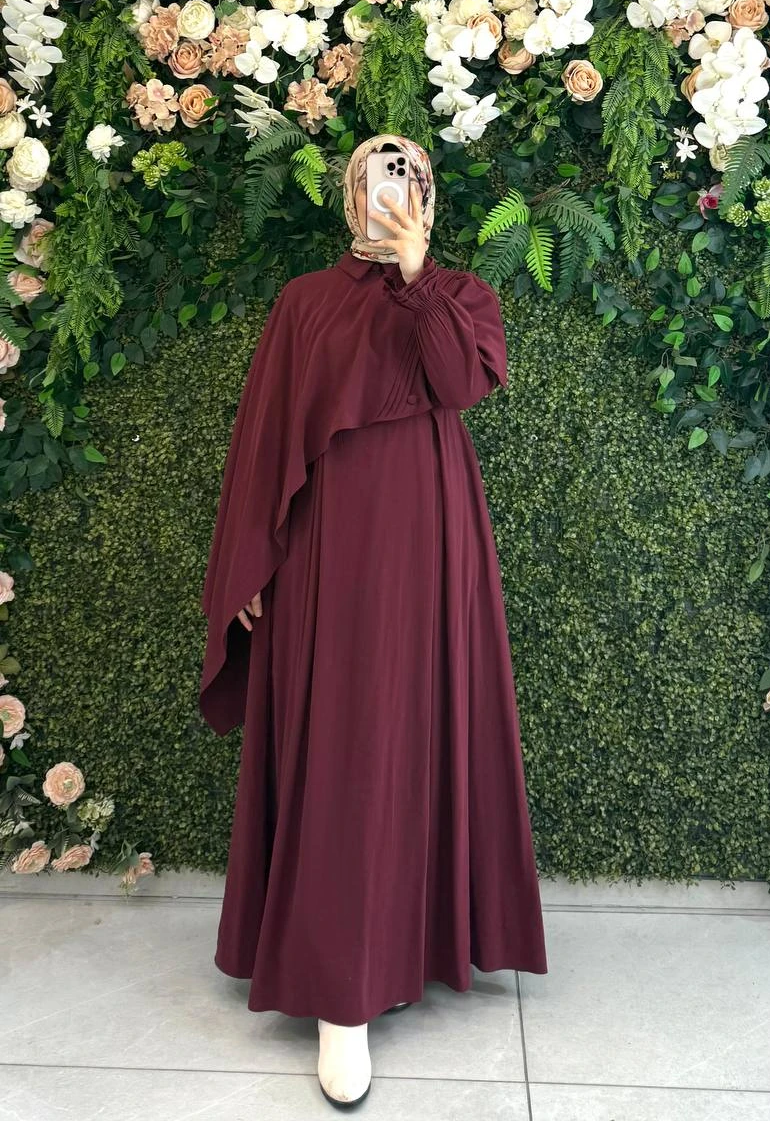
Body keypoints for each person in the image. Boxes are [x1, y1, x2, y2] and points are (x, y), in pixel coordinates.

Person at [198, 134, 548, 1109]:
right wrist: (249, 563)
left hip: (434, 544)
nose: (388, 191)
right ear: (348, 197)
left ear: (426, 196)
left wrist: (419, 273)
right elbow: (265, 435)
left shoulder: (462, 294)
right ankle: (338, 993)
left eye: (406, 176)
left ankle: (420, 943)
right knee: (343, 743)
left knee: (422, 732)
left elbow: (460, 382)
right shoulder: (305, 302)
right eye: (373, 177)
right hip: (328, 552)